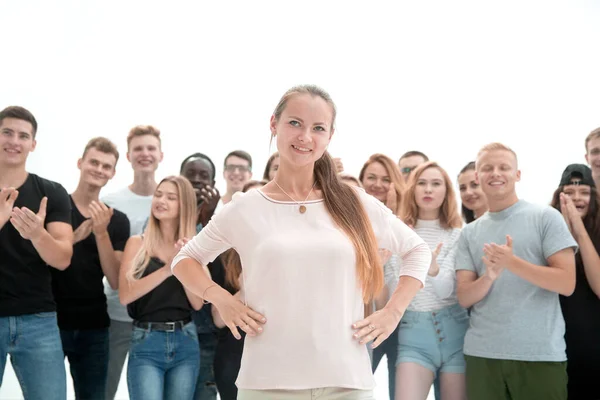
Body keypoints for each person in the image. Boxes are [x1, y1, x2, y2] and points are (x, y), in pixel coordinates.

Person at [171, 84, 431, 400]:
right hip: (267, 381)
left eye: (318, 128)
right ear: (274, 124)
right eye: (295, 123)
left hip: (347, 381)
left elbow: (417, 250)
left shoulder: (354, 203)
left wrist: (393, 311)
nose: (305, 136)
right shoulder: (245, 208)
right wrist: (222, 299)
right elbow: (185, 260)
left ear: (329, 137)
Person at [455, 142, 577, 400]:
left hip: (539, 355)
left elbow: (567, 283)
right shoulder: (469, 233)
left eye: (504, 167)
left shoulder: (546, 217)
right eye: (487, 168)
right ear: (477, 177)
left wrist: (512, 263)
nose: (495, 173)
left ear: (517, 174)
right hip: (482, 356)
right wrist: (489, 276)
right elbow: (464, 296)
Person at [0, 106, 73, 399]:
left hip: (37, 320)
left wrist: (37, 234)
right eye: (7, 132)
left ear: (33, 144)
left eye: (23, 135)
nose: (14, 141)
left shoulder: (51, 192)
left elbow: (62, 259)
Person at [51, 137, 130, 399]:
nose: (99, 169)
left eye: (106, 166)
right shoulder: (53, 206)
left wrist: (100, 233)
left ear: (113, 173)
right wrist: (72, 238)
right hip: (50, 321)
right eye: (93, 162)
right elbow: (42, 261)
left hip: (94, 325)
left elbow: (115, 280)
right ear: (80, 163)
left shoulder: (117, 220)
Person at [119, 176, 204, 400]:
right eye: (158, 194)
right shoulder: (137, 244)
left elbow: (197, 302)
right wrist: (168, 268)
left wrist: (186, 260)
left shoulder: (194, 246)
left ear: (183, 205)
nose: (161, 200)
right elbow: (126, 295)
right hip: (146, 340)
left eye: (170, 197)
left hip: (185, 340)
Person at [102, 124, 163, 400]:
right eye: (138, 148)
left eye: (151, 148)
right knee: (106, 388)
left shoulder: (169, 199)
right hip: (116, 311)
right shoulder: (111, 201)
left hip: (157, 314)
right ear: (128, 156)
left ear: (161, 154)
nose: (145, 154)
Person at [396, 161, 466, 400]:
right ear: (412, 189)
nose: (428, 189)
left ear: (446, 192)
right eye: (422, 183)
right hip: (413, 334)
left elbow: (446, 291)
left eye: (436, 184)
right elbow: (393, 291)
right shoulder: (397, 232)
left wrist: (433, 269)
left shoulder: (457, 234)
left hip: (456, 331)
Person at [212, 179, 267, 400]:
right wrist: (244, 290)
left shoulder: (294, 251)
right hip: (235, 353)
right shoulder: (223, 255)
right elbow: (217, 319)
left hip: (281, 354)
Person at [550, 164, 600, 400]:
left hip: (593, 344)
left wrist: (579, 230)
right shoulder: (547, 231)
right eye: (569, 192)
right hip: (555, 344)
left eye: (584, 193)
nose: (576, 198)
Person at [358, 153, 405, 399]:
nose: (377, 184)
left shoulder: (406, 221)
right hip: (368, 318)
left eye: (386, 179)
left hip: (405, 323)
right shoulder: (354, 220)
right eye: (371, 177)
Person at [180, 152, 221, 400]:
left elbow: (218, 273)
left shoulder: (221, 221)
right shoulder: (164, 216)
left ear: (213, 185)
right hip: (171, 325)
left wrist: (207, 221)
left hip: (206, 331)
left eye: (203, 176)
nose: (196, 180)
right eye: (190, 175)